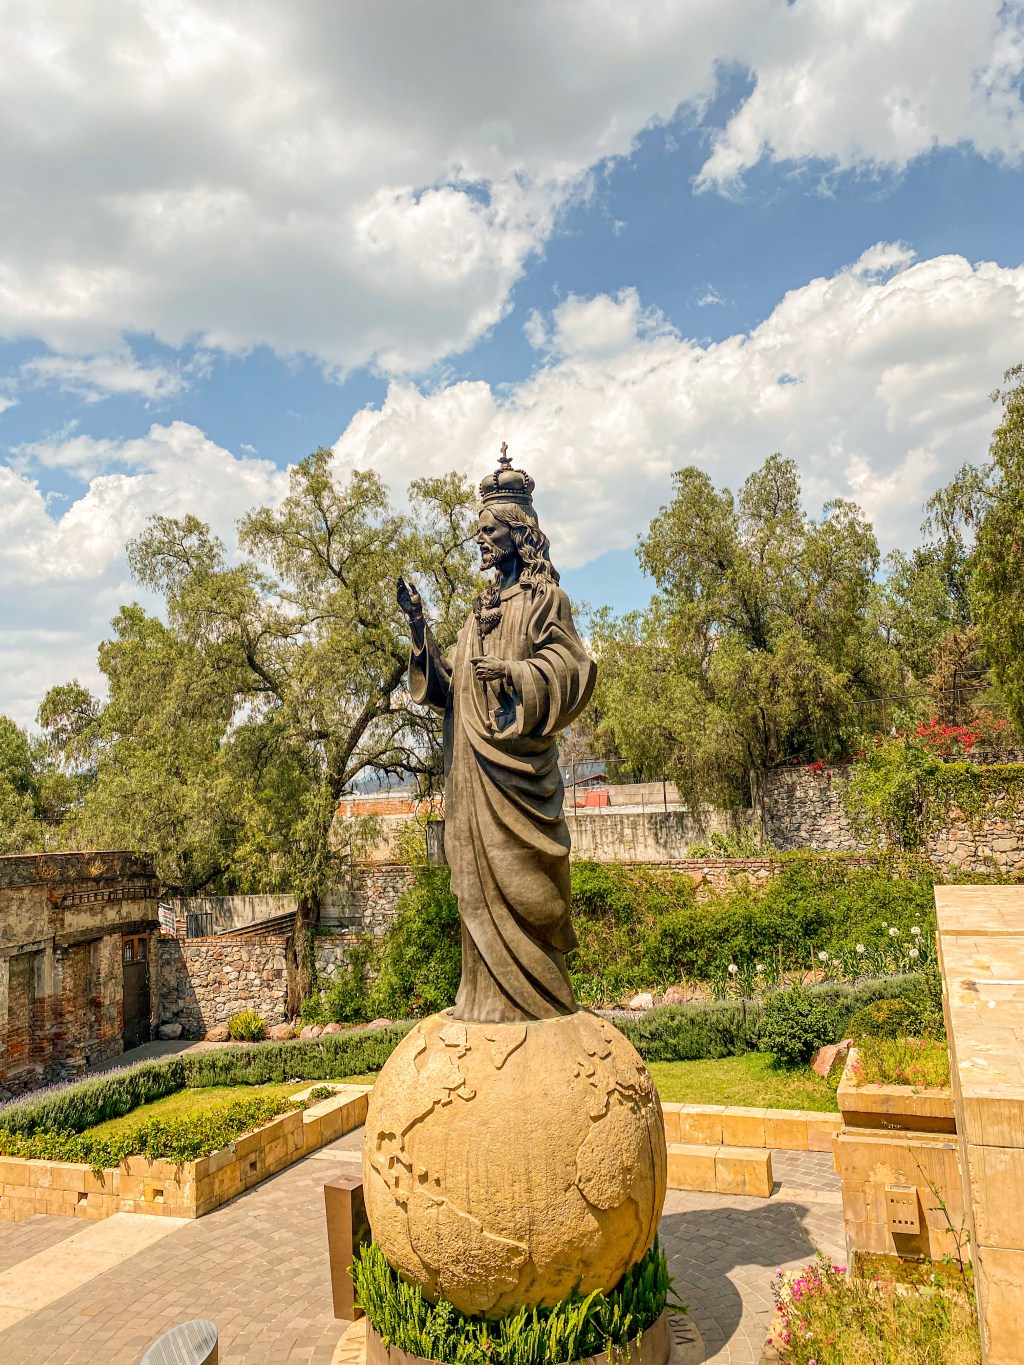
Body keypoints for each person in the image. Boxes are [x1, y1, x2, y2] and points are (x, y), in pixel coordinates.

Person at [397, 447, 596, 1023]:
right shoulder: (476, 611)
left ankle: (540, 1001)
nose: (480, 541)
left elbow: (574, 669)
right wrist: (418, 625)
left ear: (518, 534)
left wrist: (515, 674)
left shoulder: (544, 602)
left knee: (534, 895)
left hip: (520, 778)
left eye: (488, 530)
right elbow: (448, 687)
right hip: (475, 781)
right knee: (475, 893)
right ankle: (484, 1000)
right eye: (478, 531)